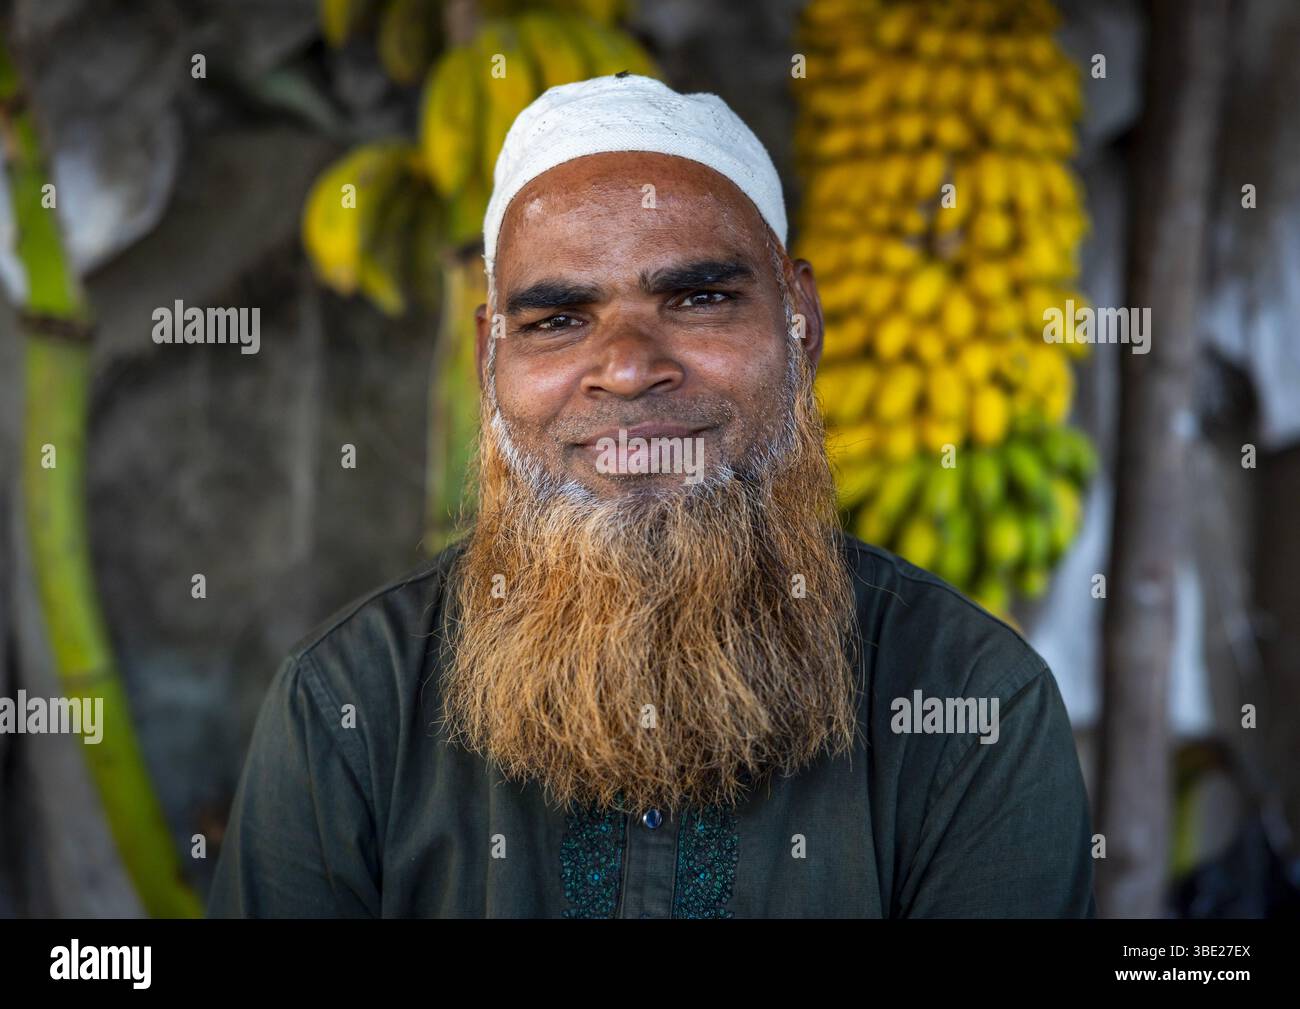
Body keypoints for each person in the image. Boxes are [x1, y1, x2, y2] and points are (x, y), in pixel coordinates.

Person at [207, 74, 1096, 918]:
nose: (629, 369)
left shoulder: (971, 704)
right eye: (558, 320)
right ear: (489, 358)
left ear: (801, 325)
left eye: (700, 298)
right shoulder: (350, 709)